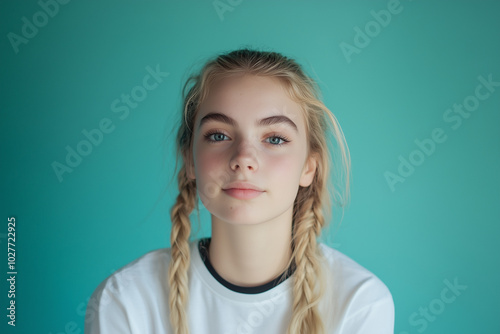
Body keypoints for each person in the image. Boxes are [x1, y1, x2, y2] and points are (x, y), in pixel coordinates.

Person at [85, 48, 395, 334]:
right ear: (189, 160)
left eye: (274, 138)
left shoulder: (360, 303)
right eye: (218, 135)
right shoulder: (125, 300)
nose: (243, 158)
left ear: (308, 167)